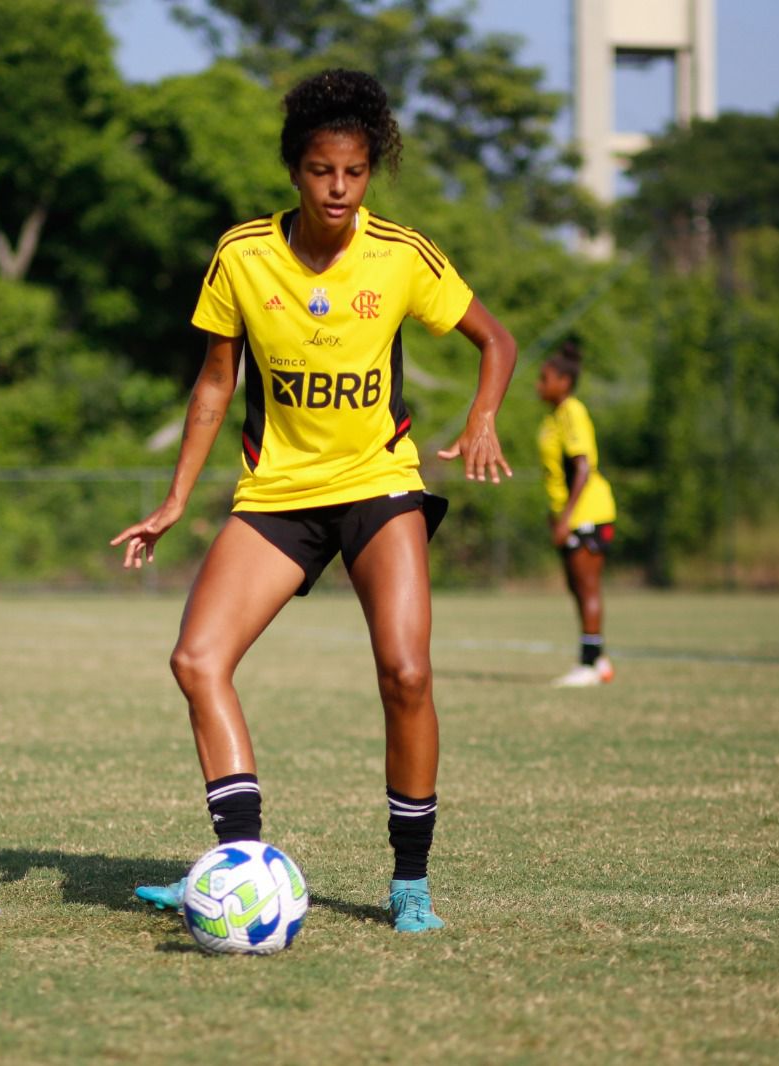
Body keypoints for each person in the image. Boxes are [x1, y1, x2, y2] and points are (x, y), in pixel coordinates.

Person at [109, 69, 517, 932]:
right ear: (296, 169)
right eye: (322, 171)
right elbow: (215, 385)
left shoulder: (402, 256)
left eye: (355, 173)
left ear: (371, 174)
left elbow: (496, 340)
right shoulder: (243, 255)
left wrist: (484, 417)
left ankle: (410, 884)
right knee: (196, 660)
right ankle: (240, 865)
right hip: (278, 496)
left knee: (406, 673)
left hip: (379, 487)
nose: (338, 189)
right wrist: (177, 498)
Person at [535, 341, 617, 687]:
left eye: (545, 379)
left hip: (589, 513)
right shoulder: (554, 416)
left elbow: (582, 468)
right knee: (576, 585)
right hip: (570, 514)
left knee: (587, 586)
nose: (539, 385)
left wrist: (567, 517)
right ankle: (598, 660)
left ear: (564, 382)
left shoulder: (572, 411)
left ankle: (587, 664)